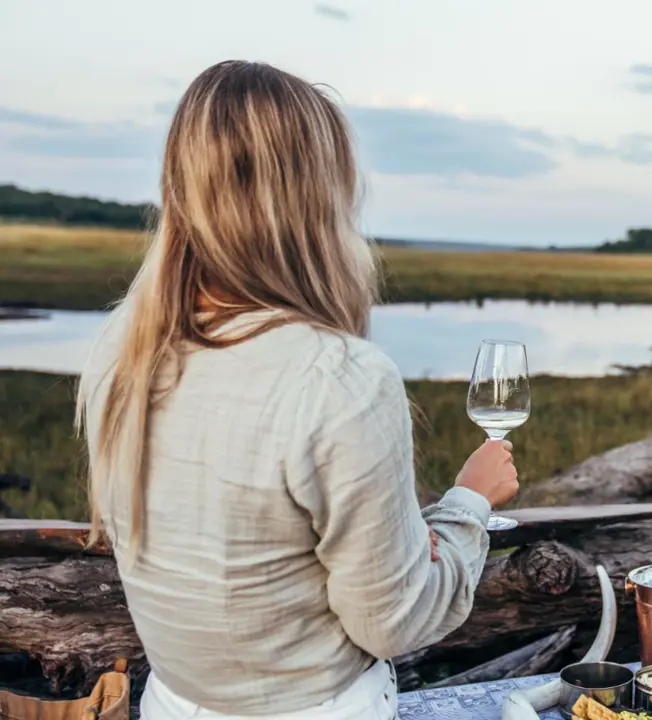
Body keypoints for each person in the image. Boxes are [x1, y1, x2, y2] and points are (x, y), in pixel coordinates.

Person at [76, 60, 519, 719]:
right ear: (316, 203)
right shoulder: (338, 380)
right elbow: (393, 623)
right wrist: (467, 504)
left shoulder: (122, 353)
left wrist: (395, 541)